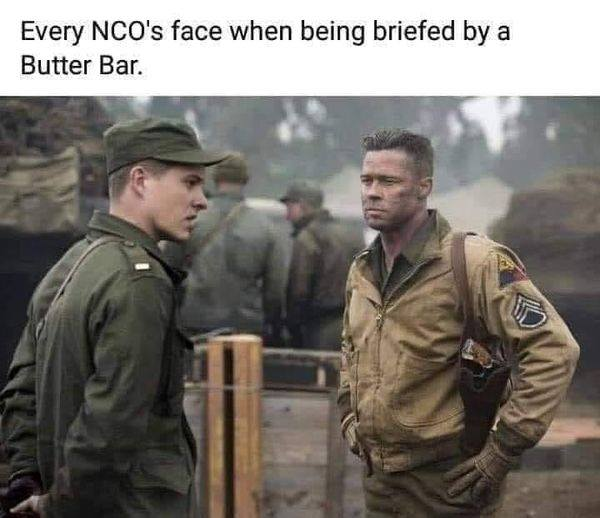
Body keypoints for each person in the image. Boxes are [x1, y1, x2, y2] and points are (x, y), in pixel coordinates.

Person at [337, 128, 580, 516]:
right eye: (367, 180)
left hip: (451, 483)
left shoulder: (476, 262)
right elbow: (350, 348)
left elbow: (554, 349)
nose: (372, 192)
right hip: (379, 483)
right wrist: (349, 414)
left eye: (388, 181)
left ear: (423, 187)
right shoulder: (363, 270)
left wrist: (503, 449)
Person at [0, 117, 227, 517]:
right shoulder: (140, 280)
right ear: (140, 181)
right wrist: (58, 504)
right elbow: (111, 425)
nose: (201, 201)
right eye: (190, 182)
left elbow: (21, 389)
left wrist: (28, 479)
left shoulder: (71, 264)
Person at [163, 152, 287, 346]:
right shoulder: (266, 227)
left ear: (215, 178)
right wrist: (271, 322)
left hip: (197, 320)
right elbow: (275, 289)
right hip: (245, 326)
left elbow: (167, 272)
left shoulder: (190, 218)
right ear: (245, 180)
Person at [280, 181, 364, 350]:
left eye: (289, 208)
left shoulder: (307, 238)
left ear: (302, 206)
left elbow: (299, 292)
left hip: (319, 330)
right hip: (355, 327)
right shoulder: (352, 235)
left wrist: (291, 329)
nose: (287, 216)